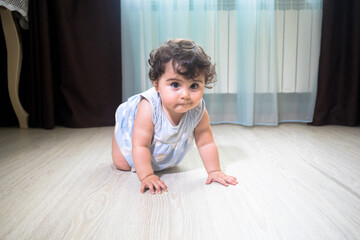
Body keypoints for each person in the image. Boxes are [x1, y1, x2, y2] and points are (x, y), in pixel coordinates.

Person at [112, 39, 238, 194]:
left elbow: (206, 143)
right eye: (175, 85)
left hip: (164, 142)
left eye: (194, 86)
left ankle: (154, 161)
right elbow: (141, 145)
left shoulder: (198, 110)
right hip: (133, 132)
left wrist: (214, 171)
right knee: (122, 164)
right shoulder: (148, 107)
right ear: (157, 84)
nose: (185, 95)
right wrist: (147, 176)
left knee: (166, 165)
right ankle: (119, 139)